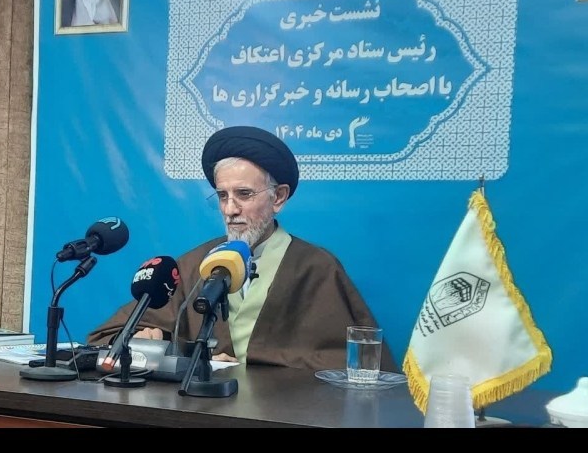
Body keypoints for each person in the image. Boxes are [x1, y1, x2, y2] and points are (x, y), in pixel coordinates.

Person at [87, 125, 398, 372]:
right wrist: (151, 341)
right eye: (223, 196)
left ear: (279, 197)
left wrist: (246, 365)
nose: (230, 209)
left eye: (244, 194)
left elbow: (361, 365)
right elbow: (107, 337)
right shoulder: (194, 264)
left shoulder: (316, 268)